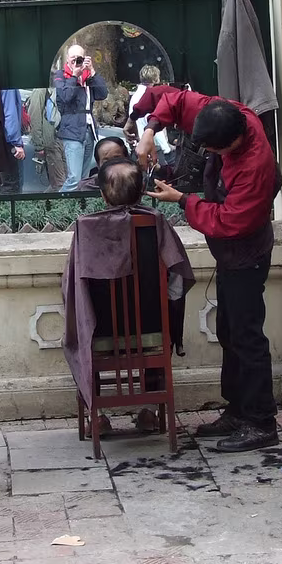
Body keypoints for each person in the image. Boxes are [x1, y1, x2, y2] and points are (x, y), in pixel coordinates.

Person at [132, 87, 280, 452]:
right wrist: (150, 130)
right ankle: (238, 410)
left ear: (234, 142)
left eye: (215, 151)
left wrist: (183, 200)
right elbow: (172, 99)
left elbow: (230, 222)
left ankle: (261, 421)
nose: (210, 156)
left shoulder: (254, 165)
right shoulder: (221, 111)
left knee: (247, 336)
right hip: (228, 254)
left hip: (246, 252)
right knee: (229, 330)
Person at [61, 158, 196, 436]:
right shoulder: (156, 224)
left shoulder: (87, 230)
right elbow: (177, 280)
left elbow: (73, 287)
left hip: (99, 329)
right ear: (141, 191)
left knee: (79, 331)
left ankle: (95, 415)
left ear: (102, 194)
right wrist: (166, 312)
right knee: (163, 325)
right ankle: (148, 410)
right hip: (152, 329)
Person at [54, 44, 108, 192]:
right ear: (67, 60)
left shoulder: (88, 77)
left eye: (80, 58)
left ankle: (78, 207)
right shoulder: (60, 75)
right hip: (72, 130)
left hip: (88, 130)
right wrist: (74, 76)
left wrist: (92, 71)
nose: (77, 62)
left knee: (84, 179)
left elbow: (102, 94)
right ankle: (59, 205)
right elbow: (65, 97)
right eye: (74, 59)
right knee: (74, 179)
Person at [0, 89, 26, 191]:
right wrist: (17, 143)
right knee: (11, 185)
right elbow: (10, 112)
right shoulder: (8, 87)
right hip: (8, 141)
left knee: (1, 183)